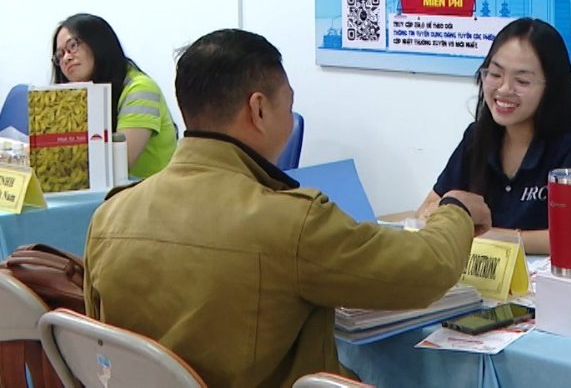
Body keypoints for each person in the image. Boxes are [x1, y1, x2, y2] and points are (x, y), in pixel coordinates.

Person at [84, 29, 491, 388]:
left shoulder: (110, 214)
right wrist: (455, 210)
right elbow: (425, 269)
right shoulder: (289, 221)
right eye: (288, 106)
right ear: (258, 109)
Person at [416, 17, 571, 254]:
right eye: (495, 74)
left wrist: (483, 235)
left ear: (551, 87)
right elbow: (427, 209)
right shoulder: (476, 137)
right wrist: (435, 215)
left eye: (522, 81)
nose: (504, 89)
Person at [51, 13, 177, 178]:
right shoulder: (81, 96)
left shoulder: (140, 89)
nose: (66, 58)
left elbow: (117, 166)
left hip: (147, 191)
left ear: (97, 42)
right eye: (60, 55)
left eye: (73, 46)